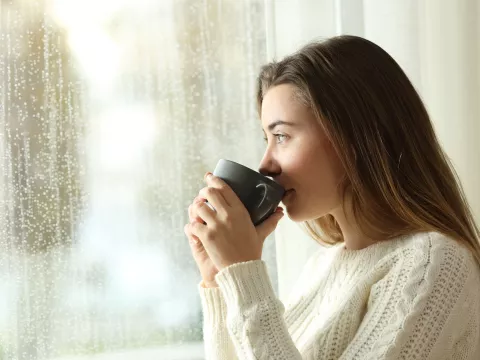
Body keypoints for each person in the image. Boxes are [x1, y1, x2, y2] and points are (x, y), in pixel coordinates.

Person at [183, 35, 480, 359]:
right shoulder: (322, 267)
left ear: (353, 138)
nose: (265, 164)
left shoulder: (433, 263)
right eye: (267, 138)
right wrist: (220, 281)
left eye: (281, 136)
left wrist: (244, 272)